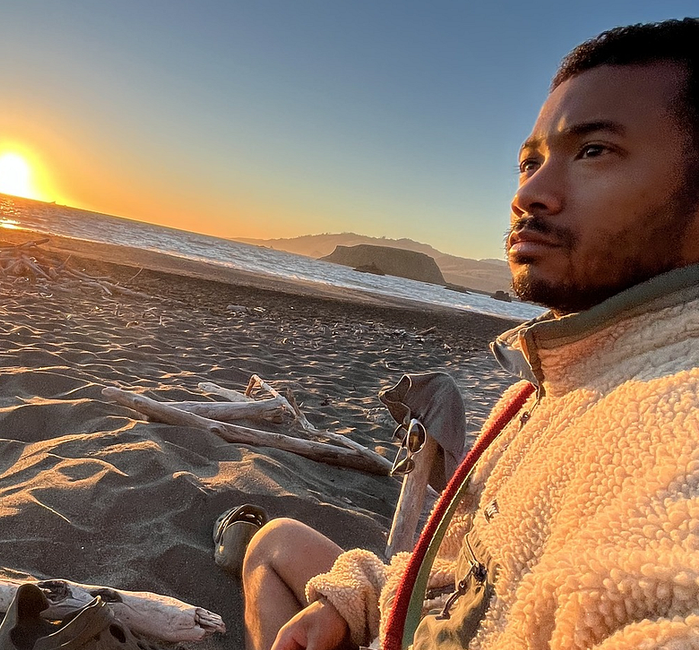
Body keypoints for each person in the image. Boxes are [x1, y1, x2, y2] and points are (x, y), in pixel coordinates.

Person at [242, 18, 699, 650]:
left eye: (594, 151)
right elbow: (467, 582)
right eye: (529, 161)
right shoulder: (559, 375)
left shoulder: (675, 423)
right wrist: (350, 602)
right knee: (274, 541)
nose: (530, 193)